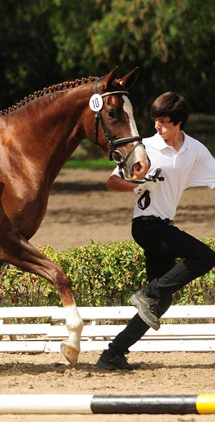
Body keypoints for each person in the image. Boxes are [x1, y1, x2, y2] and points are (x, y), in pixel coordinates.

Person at [96, 91, 215, 370]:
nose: (157, 127)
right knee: (206, 257)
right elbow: (112, 182)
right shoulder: (144, 147)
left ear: (179, 122)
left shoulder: (195, 151)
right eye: (155, 121)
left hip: (163, 225)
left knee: (160, 304)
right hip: (146, 225)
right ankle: (150, 292)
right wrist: (138, 185)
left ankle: (112, 354)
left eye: (163, 122)